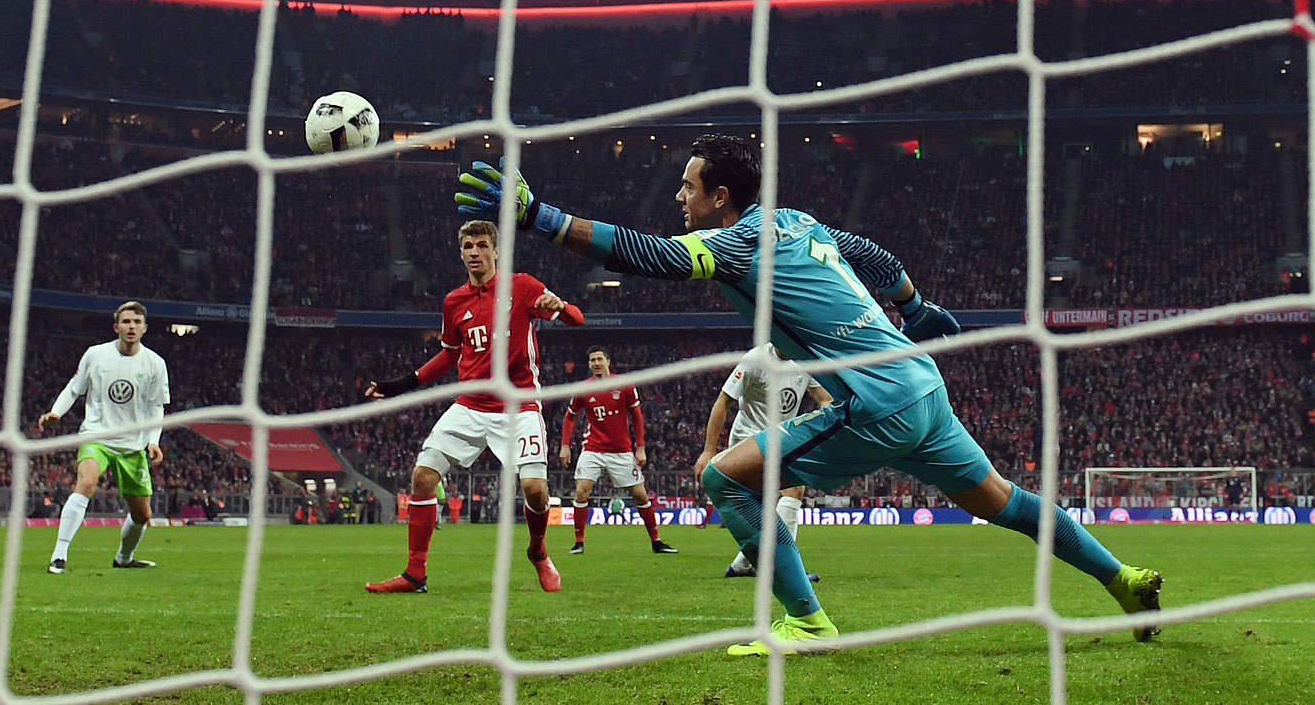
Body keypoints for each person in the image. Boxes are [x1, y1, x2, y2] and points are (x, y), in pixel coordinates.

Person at [454, 137, 1163, 653]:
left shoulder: (735, 242)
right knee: (1008, 504)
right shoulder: (802, 222)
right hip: (921, 386)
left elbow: (658, 258)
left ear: (720, 197)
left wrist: (541, 216)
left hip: (875, 402)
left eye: (688, 187)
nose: (679, 197)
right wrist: (915, 309)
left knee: (719, 478)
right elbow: (879, 259)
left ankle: (804, 621)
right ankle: (1121, 577)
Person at [363, 219, 584, 594]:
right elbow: (449, 356)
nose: (475, 253)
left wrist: (560, 306)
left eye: (482, 245)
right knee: (422, 476)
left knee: (533, 488)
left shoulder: (523, 286)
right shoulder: (454, 301)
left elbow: (577, 320)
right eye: (468, 247)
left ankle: (538, 551)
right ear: (461, 252)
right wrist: (400, 384)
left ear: (496, 250)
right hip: (470, 405)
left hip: (519, 405)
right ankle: (415, 573)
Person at [38, 300, 169, 574]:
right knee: (86, 482)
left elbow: (157, 406)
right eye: (126, 321)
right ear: (116, 326)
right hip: (97, 435)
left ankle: (124, 558)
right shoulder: (95, 354)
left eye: (136, 322)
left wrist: (153, 440)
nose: (131, 326)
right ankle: (59, 555)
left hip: (132, 445)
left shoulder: (156, 364)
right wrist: (56, 412)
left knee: (142, 515)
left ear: (144, 328)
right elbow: (74, 388)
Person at [703, 343, 831, 580]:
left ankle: (743, 564)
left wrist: (830, 417)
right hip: (748, 437)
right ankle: (786, 570)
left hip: (780, 437)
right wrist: (709, 450)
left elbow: (823, 397)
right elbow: (723, 401)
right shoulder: (756, 359)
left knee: (771, 503)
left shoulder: (803, 359)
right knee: (793, 490)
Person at [560, 345, 678, 555]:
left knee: (640, 495)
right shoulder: (584, 389)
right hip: (593, 448)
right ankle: (579, 542)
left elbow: (637, 417)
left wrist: (640, 447)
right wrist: (565, 446)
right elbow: (570, 416)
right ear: (589, 365)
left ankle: (657, 541)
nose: (596, 363)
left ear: (608, 362)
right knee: (581, 490)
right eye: (592, 360)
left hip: (621, 451)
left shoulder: (624, 385)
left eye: (599, 359)